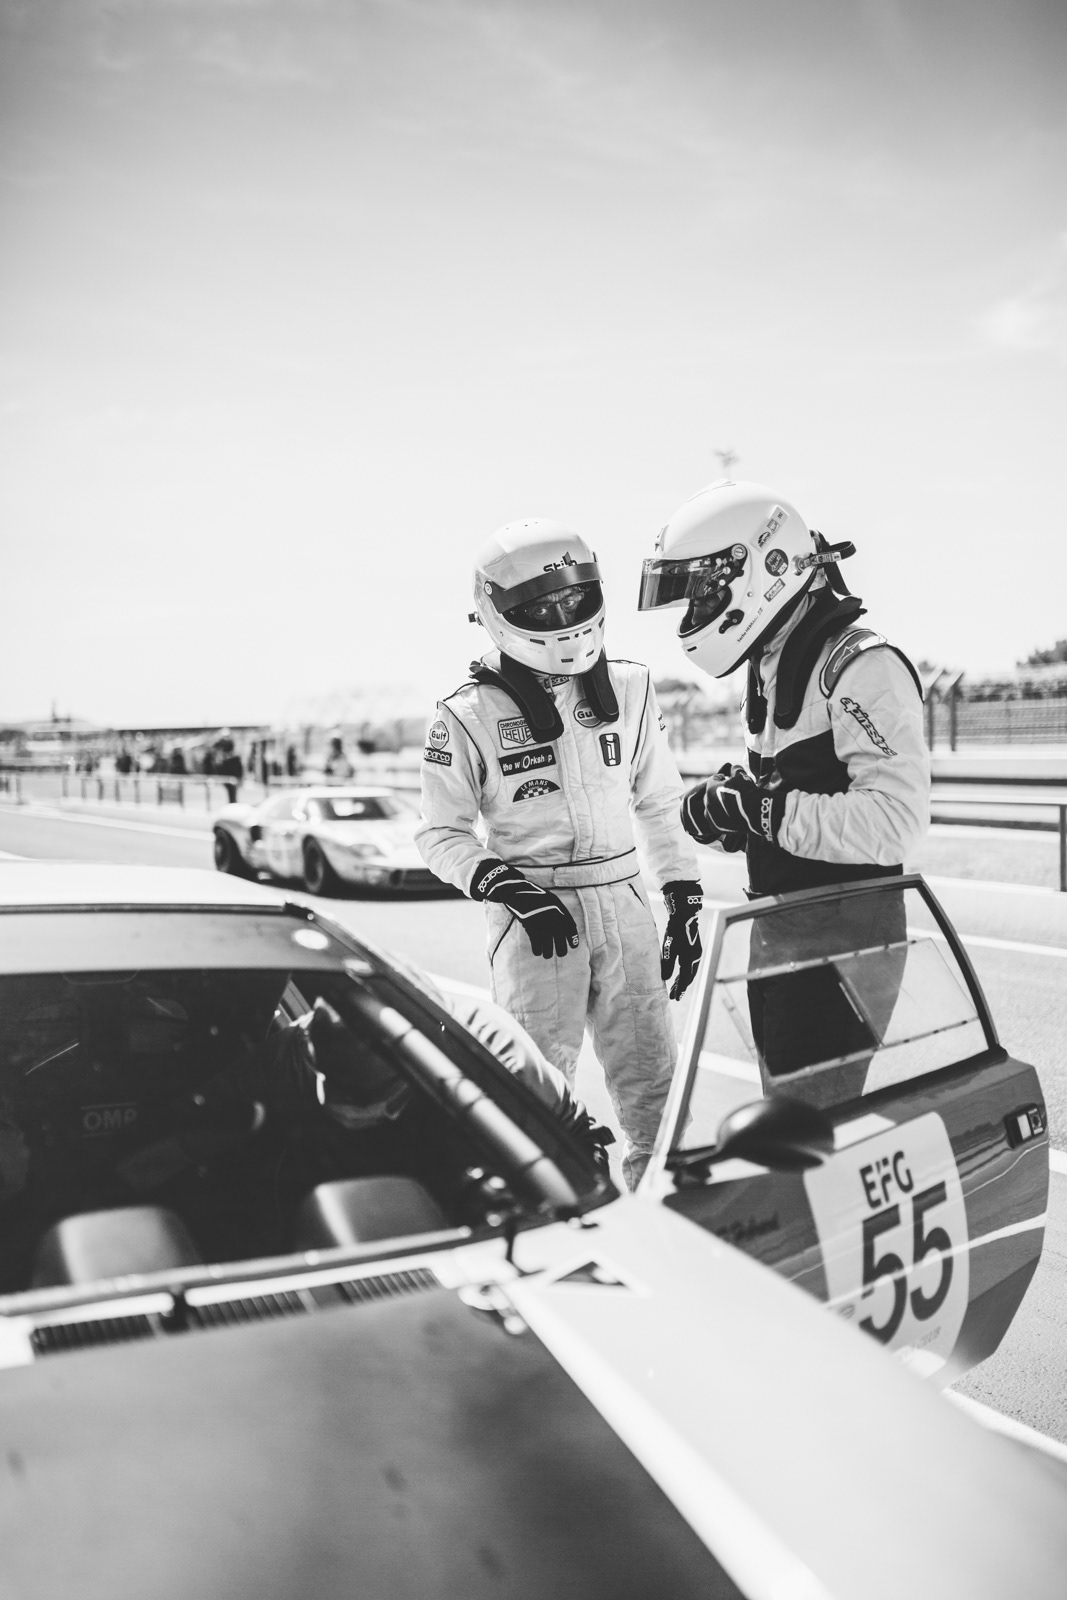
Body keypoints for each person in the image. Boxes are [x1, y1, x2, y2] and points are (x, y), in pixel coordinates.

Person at [415, 519, 704, 1188]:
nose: (563, 617)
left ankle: (667, 1213)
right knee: (534, 1093)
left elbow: (661, 801)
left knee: (655, 1090)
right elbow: (439, 833)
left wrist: (683, 897)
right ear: (496, 612)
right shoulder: (465, 715)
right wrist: (505, 887)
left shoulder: (629, 688)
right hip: (534, 919)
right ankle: (557, 1217)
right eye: (541, 606)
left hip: (625, 904)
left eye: (573, 597)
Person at [637, 479, 929, 1102]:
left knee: (808, 1130)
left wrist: (762, 812)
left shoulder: (861, 665)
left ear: (763, 567)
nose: (694, 610)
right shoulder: (773, 662)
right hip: (781, 927)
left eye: (702, 590)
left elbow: (895, 825)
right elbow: (787, 805)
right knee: (786, 1120)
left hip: (847, 936)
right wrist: (733, 819)